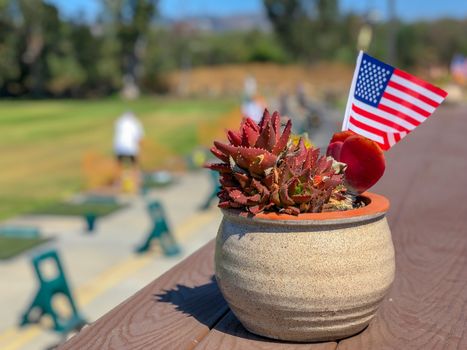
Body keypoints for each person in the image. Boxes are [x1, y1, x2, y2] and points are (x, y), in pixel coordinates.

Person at [113, 111, 144, 193]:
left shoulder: (120, 122)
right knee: (135, 166)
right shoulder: (135, 123)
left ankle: (118, 184)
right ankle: (137, 184)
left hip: (119, 146)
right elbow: (139, 137)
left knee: (119, 166)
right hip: (131, 147)